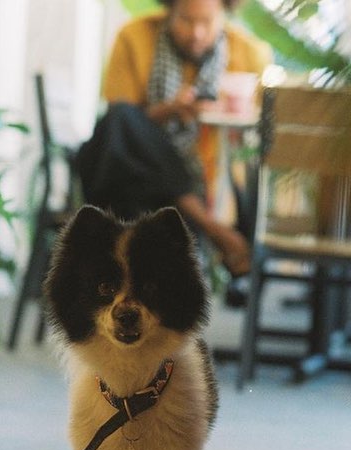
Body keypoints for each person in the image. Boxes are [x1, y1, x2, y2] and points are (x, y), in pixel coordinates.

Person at [77, 0, 271, 277]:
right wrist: (169, 111)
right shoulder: (134, 37)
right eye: (186, 21)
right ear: (169, 10)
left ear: (225, 14)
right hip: (117, 166)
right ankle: (211, 228)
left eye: (206, 22)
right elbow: (119, 132)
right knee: (120, 118)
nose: (196, 33)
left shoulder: (248, 53)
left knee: (134, 199)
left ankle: (127, 268)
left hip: (180, 177)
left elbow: (258, 133)